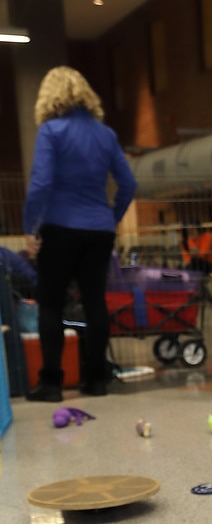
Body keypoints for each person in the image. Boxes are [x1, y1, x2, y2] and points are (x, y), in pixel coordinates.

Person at [22, 66, 136, 402]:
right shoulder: (106, 134)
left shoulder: (51, 131)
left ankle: (52, 384)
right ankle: (97, 379)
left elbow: (41, 184)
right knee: (95, 302)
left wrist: (30, 228)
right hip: (99, 230)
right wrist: (110, 218)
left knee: (51, 305)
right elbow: (128, 183)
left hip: (59, 228)